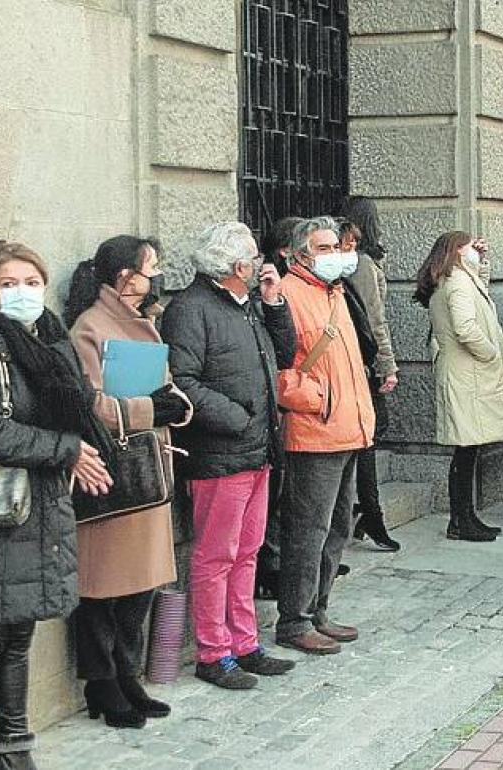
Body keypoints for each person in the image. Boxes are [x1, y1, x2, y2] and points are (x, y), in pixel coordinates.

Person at [0, 243, 115, 770]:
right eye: (9, 283)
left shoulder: (51, 343)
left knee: (18, 637)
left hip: (37, 511)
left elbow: (75, 410)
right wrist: (65, 450)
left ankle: (15, 748)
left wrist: (84, 443)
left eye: (31, 282)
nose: (22, 292)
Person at [163, 222, 297, 688]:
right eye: (255, 257)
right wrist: (237, 418)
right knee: (216, 556)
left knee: (247, 552)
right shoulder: (191, 309)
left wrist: (276, 304)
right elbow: (183, 380)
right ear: (238, 266)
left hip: (257, 450)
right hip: (221, 453)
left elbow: (284, 355)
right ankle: (213, 651)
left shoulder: (247, 306)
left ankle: (245, 642)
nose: (262, 263)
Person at [65, 236, 191, 728]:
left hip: (150, 470)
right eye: (149, 267)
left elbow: (164, 382)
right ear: (124, 275)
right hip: (113, 475)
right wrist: (146, 410)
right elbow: (89, 403)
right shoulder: (90, 329)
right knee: (102, 587)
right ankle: (102, 680)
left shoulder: (146, 322)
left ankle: (127, 672)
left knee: (140, 586)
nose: (155, 274)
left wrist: (177, 404)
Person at [274, 217, 376, 655]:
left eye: (336, 245)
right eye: (323, 247)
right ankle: (294, 619)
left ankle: (318, 609)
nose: (335, 253)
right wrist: (322, 400)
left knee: (336, 528)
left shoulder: (332, 292)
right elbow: (280, 371)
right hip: (315, 432)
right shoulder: (287, 295)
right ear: (300, 254)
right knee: (308, 530)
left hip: (347, 428)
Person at [416, 231, 503, 541]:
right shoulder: (456, 282)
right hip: (467, 374)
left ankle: (464, 517)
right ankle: (462, 519)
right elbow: (466, 327)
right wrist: (491, 353)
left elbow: (479, 292)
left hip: (464, 373)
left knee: (468, 450)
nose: (476, 250)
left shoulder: (455, 279)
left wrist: (482, 260)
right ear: (457, 251)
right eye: (471, 246)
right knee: (465, 450)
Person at [338, 197, 403, 552]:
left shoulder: (362, 261)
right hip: (363, 364)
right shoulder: (361, 264)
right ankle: (369, 512)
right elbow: (373, 320)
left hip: (360, 361)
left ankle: (367, 511)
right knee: (370, 436)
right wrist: (387, 365)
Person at [255, 215, 304, 600]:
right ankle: (270, 566)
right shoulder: (274, 288)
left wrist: (274, 304)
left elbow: (284, 349)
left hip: (273, 415)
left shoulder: (272, 295)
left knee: (278, 497)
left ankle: (274, 564)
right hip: (258, 420)